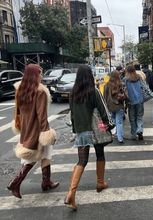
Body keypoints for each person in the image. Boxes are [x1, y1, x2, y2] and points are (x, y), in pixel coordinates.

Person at [64, 65, 112, 211]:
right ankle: (100, 182)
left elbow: (72, 114)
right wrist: (109, 124)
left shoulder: (73, 92)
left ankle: (71, 193)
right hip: (96, 130)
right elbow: (103, 110)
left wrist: (75, 130)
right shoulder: (94, 91)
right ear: (90, 75)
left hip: (81, 130)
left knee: (81, 161)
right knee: (100, 155)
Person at [7, 64, 59, 199]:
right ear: (34, 75)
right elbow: (42, 115)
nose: (41, 76)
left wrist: (21, 125)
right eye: (40, 73)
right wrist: (47, 132)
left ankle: (46, 182)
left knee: (45, 154)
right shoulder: (40, 91)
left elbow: (17, 112)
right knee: (32, 157)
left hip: (26, 127)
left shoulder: (20, 89)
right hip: (38, 130)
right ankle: (15, 183)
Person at [104, 70, 127, 143]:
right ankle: (120, 138)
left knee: (113, 120)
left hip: (110, 106)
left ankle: (115, 134)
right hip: (119, 105)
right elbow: (124, 95)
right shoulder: (121, 84)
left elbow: (104, 97)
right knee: (119, 122)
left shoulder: (106, 85)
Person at [125, 65, 144, 140]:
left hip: (130, 101)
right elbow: (144, 87)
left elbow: (123, 89)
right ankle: (140, 130)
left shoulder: (126, 79)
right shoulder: (139, 77)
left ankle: (133, 134)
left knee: (132, 118)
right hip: (140, 99)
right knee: (139, 116)